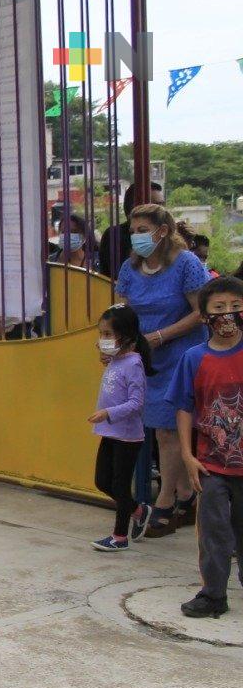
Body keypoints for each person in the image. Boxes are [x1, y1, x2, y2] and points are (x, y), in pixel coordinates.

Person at [116, 203, 210, 538]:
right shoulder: (131, 267)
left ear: (163, 231)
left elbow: (201, 312)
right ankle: (186, 496)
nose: (137, 237)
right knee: (158, 429)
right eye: (133, 231)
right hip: (147, 357)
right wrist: (121, 342)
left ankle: (167, 501)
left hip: (181, 354)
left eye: (143, 230)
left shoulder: (186, 265)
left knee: (169, 430)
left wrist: (160, 336)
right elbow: (122, 310)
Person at [167, 275, 243, 618]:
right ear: (204, 316)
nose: (228, 314)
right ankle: (214, 595)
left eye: (236, 307)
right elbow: (184, 406)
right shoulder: (193, 358)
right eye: (219, 308)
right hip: (211, 465)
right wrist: (187, 454)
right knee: (213, 534)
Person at [87, 305, 154, 552]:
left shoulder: (134, 364)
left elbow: (136, 403)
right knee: (102, 481)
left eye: (107, 335)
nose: (102, 340)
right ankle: (139, 510)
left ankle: (119, 536)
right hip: (110, 432)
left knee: (120, 485)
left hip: (127, 436)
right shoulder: (117, 360)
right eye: (101, 334)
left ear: (125, 335)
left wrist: (108, 413)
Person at [98, 182, 164, 279]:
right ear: (134, 207)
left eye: (162, 205)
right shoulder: (115, 236)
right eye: (155, 205)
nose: (161, 210)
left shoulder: (169, 236)